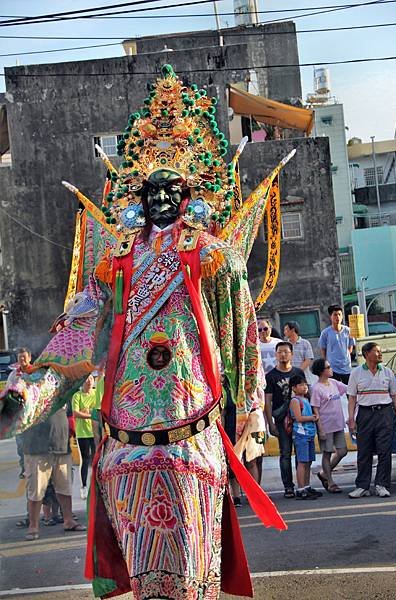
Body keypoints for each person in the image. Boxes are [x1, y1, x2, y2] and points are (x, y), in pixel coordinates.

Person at [0, 66, 286, 599]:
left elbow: (240, 332)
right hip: (124, 444)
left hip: (190, 435)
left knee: (193, 580)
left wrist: (250, 406)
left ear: (192, 190)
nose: (159, 198)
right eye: (150, 188)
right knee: (144, 581)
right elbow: (79, 327)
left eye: (172, 187)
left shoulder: (214, 256)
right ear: (136, 192)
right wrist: (28, 391)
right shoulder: (116, 260)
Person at [347, 342, 396, 499]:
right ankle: (362, 486)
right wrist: (351, 418)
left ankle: (382, 485)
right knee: (364, 451)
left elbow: (395, 397)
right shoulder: (356, 373)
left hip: (385, 414)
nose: (380, 353)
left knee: (385, 451)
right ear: (366, 354)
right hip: (365, 414)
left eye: (380, 351)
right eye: (376, 351)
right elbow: (352, 398)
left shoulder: (387, 372)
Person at [22, 407, 85, 540]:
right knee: (36, 488)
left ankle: (68, 520)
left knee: (64, 486)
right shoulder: (29, 388)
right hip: (36, 447)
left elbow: (69, 414)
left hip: (61, 444)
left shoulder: (62, 390)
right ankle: (33, 526)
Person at [265, 341, 305, 497]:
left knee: (301, 453)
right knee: (285, 453)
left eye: (286, 352)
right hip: (282, 421)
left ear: (292, 354)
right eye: (280, 352)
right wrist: (270, 423)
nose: (283, 354)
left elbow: (305, 395)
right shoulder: (271, 376)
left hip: (299, 420)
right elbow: (267, 401)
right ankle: (288, 486)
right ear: (276, 354)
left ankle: (303, 484)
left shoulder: (298, 373)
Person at [310, 358, 348, 493]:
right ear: (321, 371)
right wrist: (320, 429)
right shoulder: (316, 388)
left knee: (342, 451)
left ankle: (324, 473)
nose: (331, 369)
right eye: (328, 367)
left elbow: (349, 389)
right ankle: (330, 482)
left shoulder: (334, 383)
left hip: (338, 424)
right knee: (327, 453)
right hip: (326, 425)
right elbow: (315, 409)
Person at [289, 375, 321, 500]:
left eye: (305, 384)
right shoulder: (295, 401)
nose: (304, 387)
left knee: (308, 461)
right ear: (294, 388)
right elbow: (298, 418)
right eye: (301, 385)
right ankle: (301, 488)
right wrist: (312, 417)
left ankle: (307, 486)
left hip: (309, 434)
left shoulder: (306, 400)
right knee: (302, 462)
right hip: (301, 434)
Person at [7, 348, 33, 479]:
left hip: (34, 417)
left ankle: (32, 467)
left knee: (34, 442)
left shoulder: (36, 372)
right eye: (19, 357)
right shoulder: (13, 376)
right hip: (18, 417)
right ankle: (24, 467)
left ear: (29, 357)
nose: (22, 359)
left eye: (24, 357)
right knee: (20, 445)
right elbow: (7, 392)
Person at [72, 374, 97, 499]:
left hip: (95, 432)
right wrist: (90, 415)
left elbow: (100, 410)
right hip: (83, 433)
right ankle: (84, 487)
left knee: (96, 460)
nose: (89, 381)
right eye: (86, 379)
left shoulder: (96, 393)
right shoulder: (77, 396)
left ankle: (97, 486)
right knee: (85, 460)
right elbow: (76, 413)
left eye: (91, 379)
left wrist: (88, 413)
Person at [318, 304, 355, 384]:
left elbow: (350, 348)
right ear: (330, 317)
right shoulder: (325, 333)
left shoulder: (348, 331)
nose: (337, 317)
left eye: (339, 314)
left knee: (349, 391)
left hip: (346, 367)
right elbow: (322, 350)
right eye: (335, 315)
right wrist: (326, 365)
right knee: (334, 393)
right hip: (332, 368)